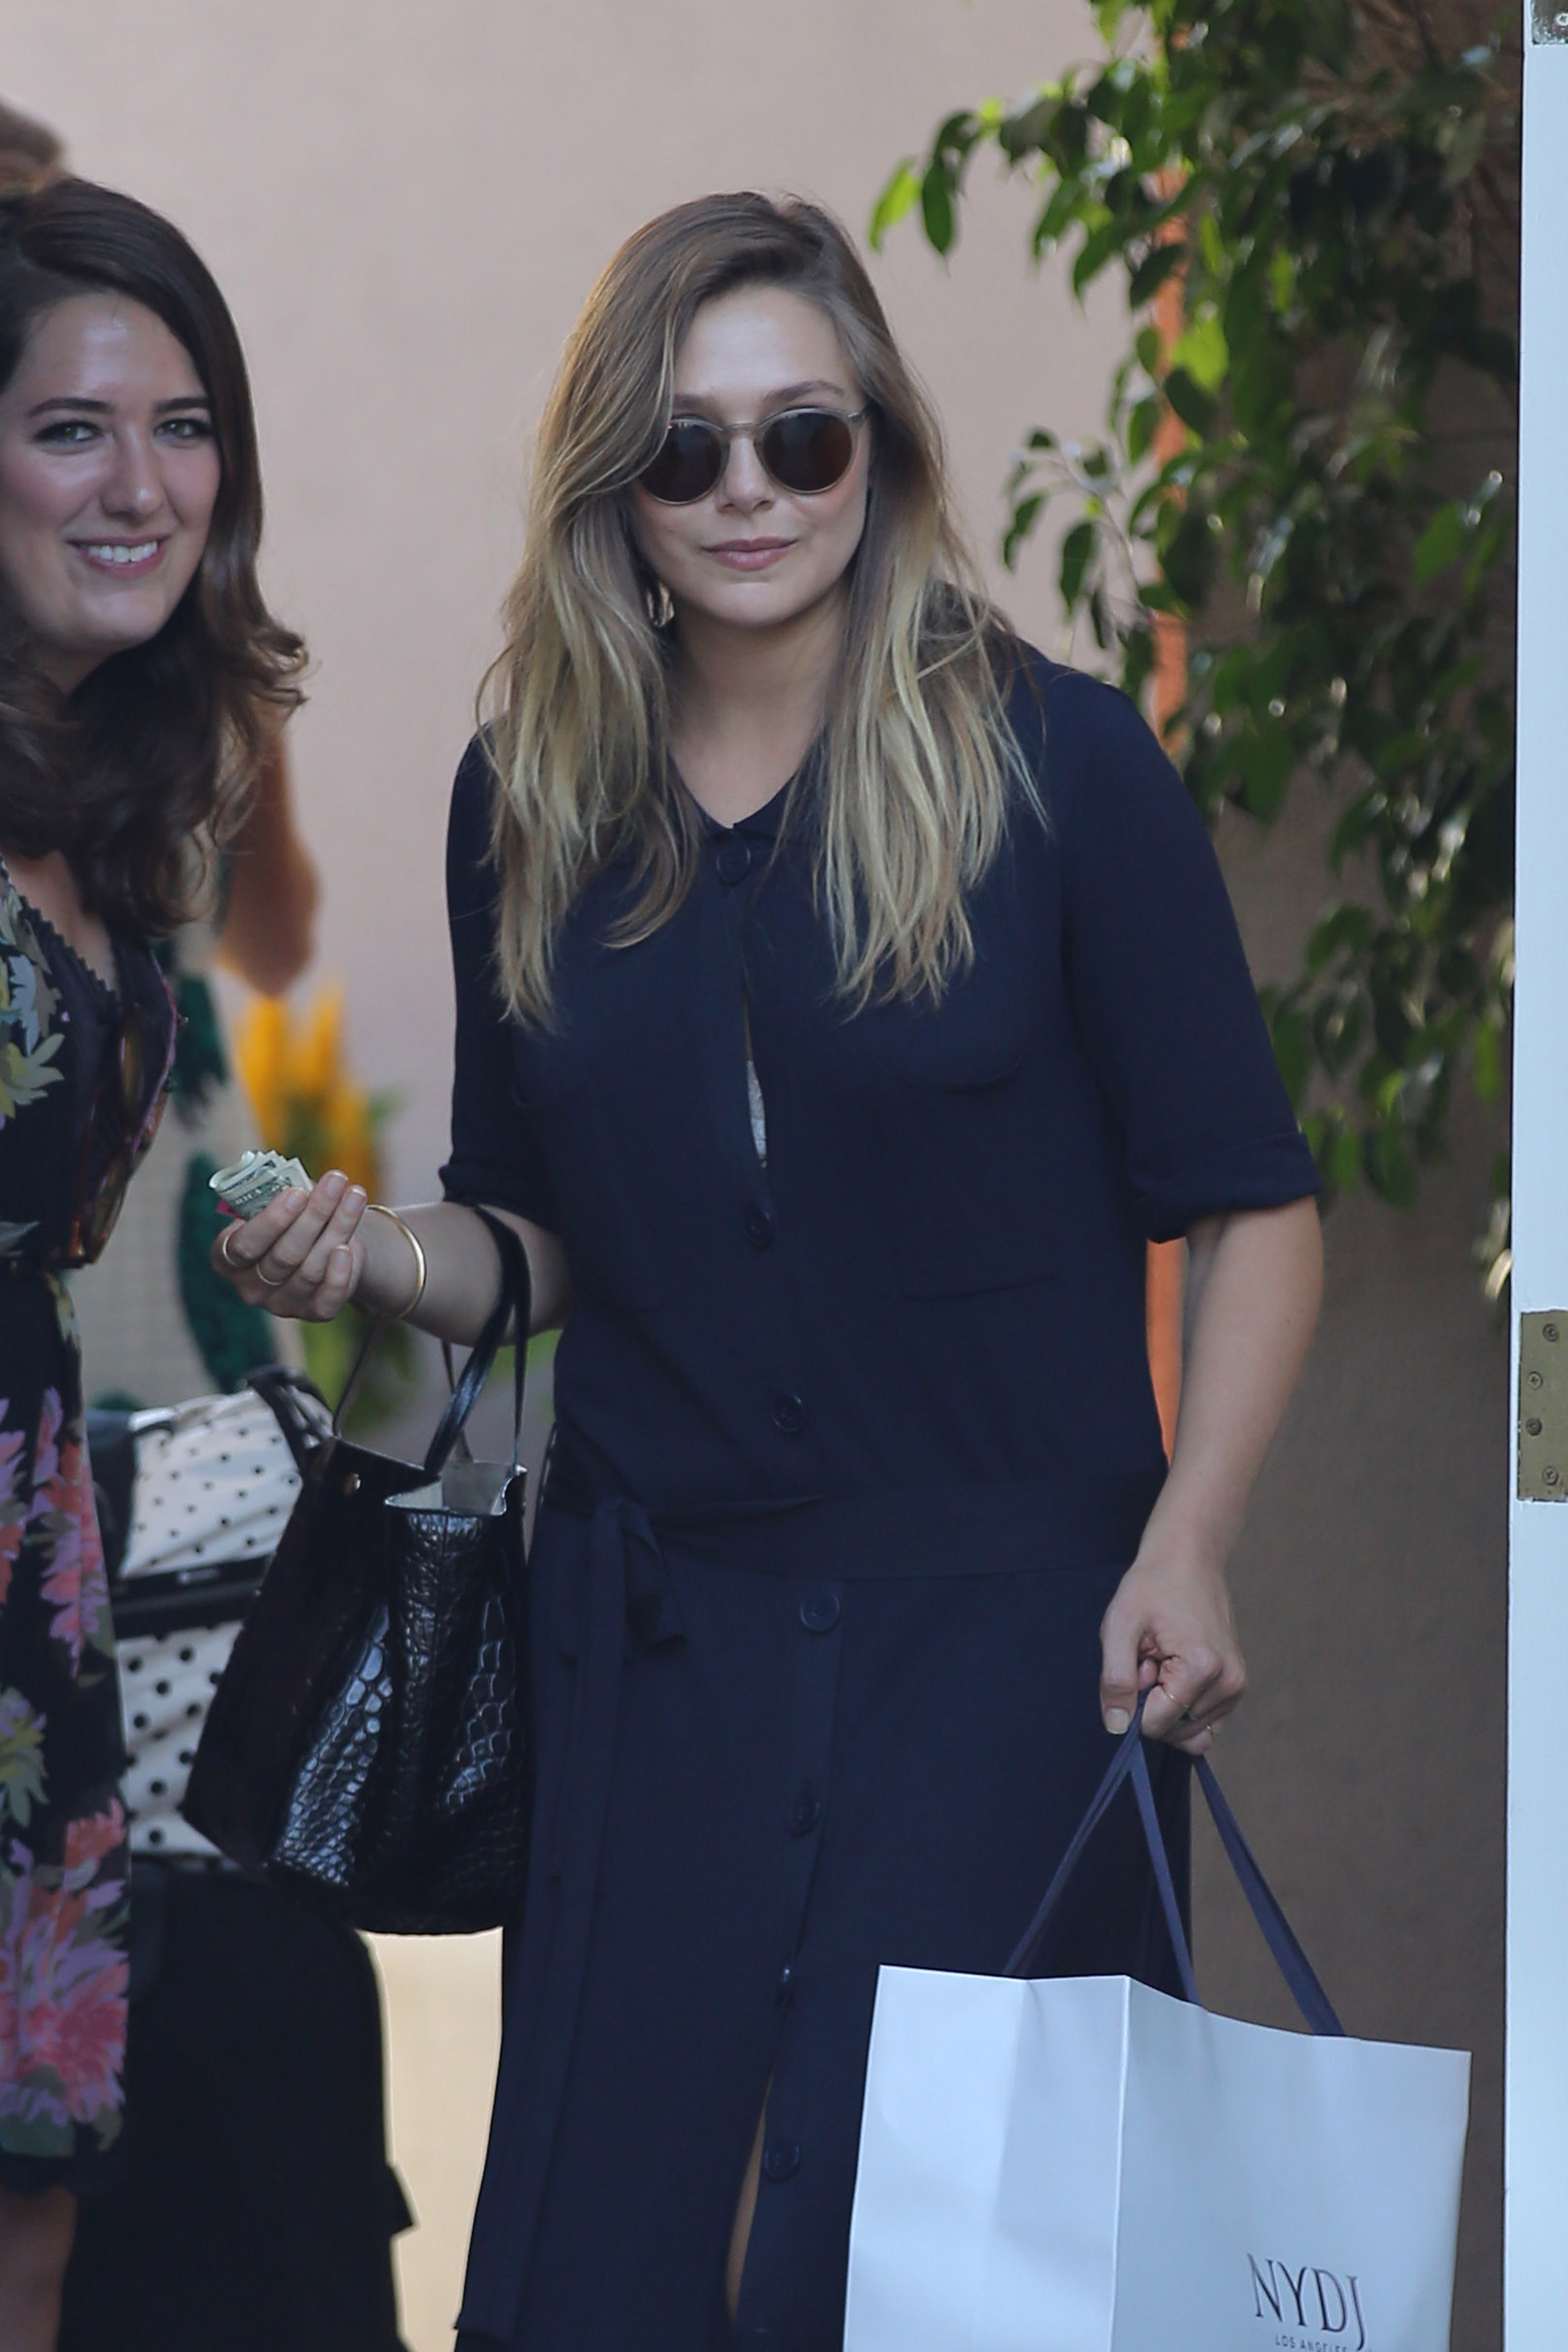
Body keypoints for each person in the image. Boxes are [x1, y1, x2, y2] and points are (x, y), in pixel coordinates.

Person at [214, 192, 1325, 2352]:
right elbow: (529, 1229)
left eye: (802, 437)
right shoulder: (531, 798)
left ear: (878, 453)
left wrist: (1190, 1546)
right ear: (614, 485)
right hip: (658, 1657)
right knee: (628, 2269)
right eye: (687, 446)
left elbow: (1253, 1206)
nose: (749, 493)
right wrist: (378, 1259)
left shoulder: (1062, 766)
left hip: (1008, 1657)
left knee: (902, 2280)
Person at [0, 175, 303, 2347]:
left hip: (39, 1588)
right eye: (71, 430)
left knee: (35, 2212)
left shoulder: (117, 796)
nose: (140, 485)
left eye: (183, 426)